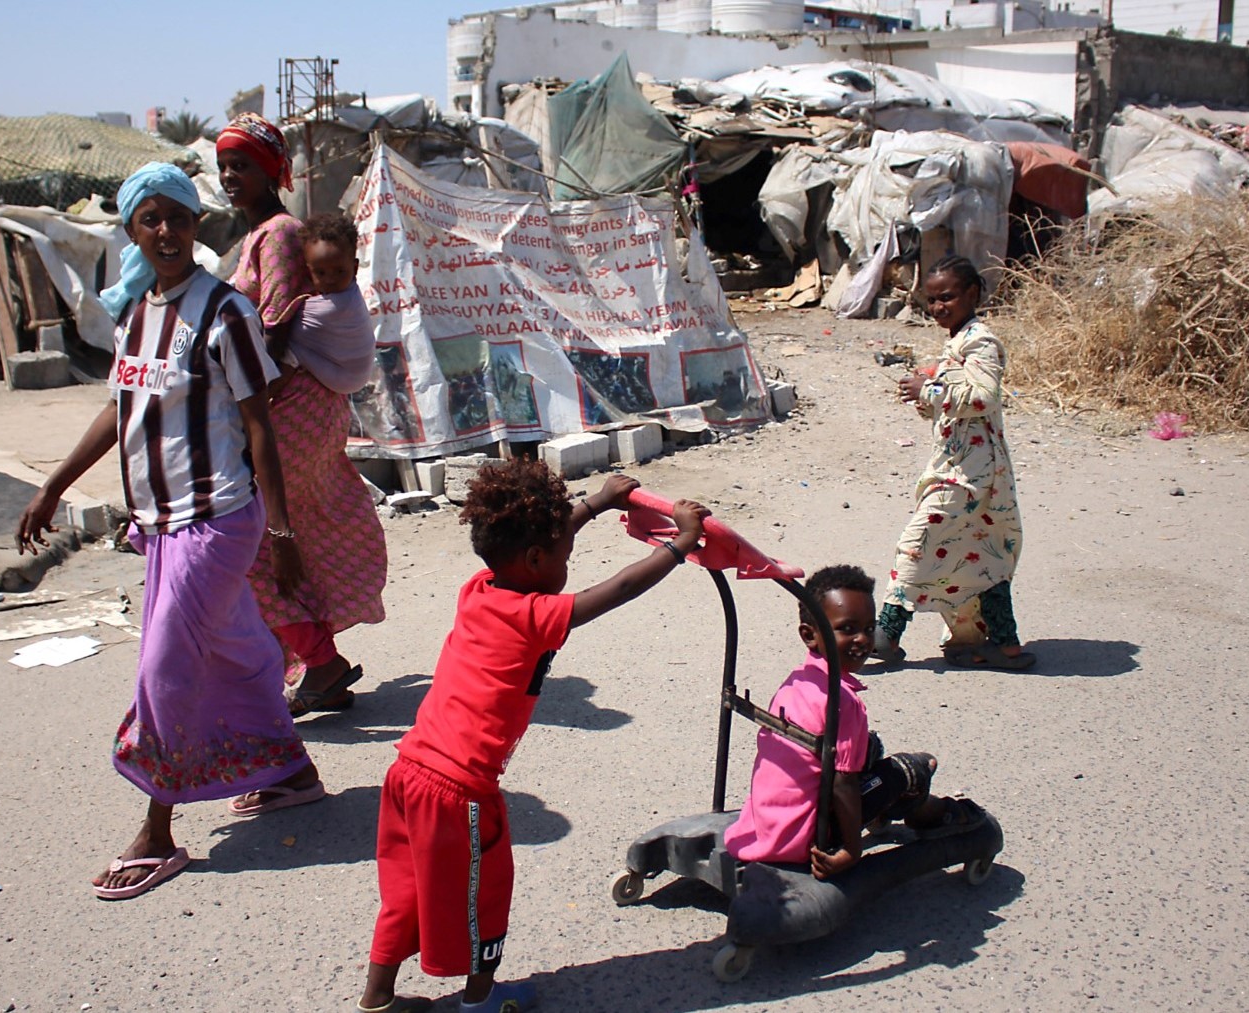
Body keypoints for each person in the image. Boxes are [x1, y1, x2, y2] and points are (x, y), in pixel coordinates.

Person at [16, 163, 328, 902]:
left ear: (197, 225)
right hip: (157, 524)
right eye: (149, 218)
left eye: (178, 217)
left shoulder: (225, 312)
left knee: (166, 666)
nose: (165, 231)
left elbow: (259, 425)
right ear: (131, 229)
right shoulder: (135, 316)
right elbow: (119, 411)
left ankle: (157, 829)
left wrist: (280, 532)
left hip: (217, 517)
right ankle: (290, 771)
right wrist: (53, 484)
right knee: (235, 649)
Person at [357, 462, 709, 1013]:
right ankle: (480, 1001)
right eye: (564, 555)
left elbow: (536, 543)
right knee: (485, 895)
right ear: (539, 561)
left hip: (408, 773)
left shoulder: (479, 589)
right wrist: (680, 544)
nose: (567, 561)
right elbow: (616, 589)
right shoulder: (536, 615)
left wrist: (595, 503)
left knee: (406, 891)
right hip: (460, 791)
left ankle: (378, 998)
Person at [218, 113, 388, 715]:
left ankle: (319, 662)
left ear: (271, 171)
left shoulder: (280, 234)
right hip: (292, 404)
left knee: (253, 546)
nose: (230, 175)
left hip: (289, 409)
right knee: (288, 536)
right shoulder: (262, 234)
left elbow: (275, 328)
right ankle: (305, 663)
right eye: (225, 165)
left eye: (243, 164)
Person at [724, 565, 986, 880]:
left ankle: (885, 811)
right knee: (914, 768)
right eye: (847, 629)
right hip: (808, 837)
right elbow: (842, 784)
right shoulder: (842, 702)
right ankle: (931, 815)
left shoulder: (797, 682)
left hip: (768, 824)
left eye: (869, 627)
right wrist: (850, 849)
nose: (863, 639)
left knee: (870, 745)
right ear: (810, 635)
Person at [873, 255, 1034, 670]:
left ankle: (885, 634)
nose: (938, 307)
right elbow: (957, 405)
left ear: (973, 294)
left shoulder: (980, 341)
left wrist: (929, 390)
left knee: (918, 541)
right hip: (963, 467)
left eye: (947, 297)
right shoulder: (958, 341)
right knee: (979, 551)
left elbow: (984, 396)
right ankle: (1000, 641)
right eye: (931, 300)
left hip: (971, 473)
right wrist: (927, 398)